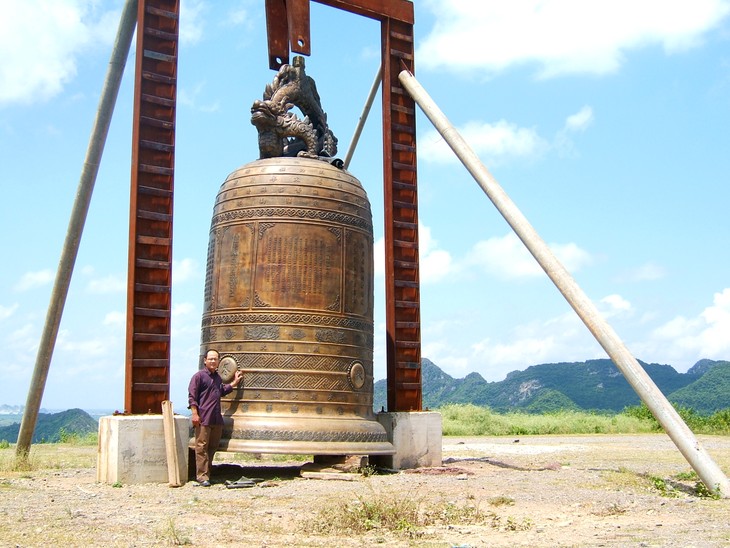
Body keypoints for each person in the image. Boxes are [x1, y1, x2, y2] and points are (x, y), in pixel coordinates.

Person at [188, 349, 243, 486]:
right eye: (210, 359)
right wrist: (195, 414)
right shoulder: (199, 377)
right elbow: (192, 397)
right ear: (205, 360)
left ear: (219, 361)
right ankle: (202, 477)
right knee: (201, 447)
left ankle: (208, 472)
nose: (213, 361)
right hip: (203, 418)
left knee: (212, 447)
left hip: (216, 418)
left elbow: (221, 391)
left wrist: (234, 383)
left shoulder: (218, 377)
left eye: (215, 359)